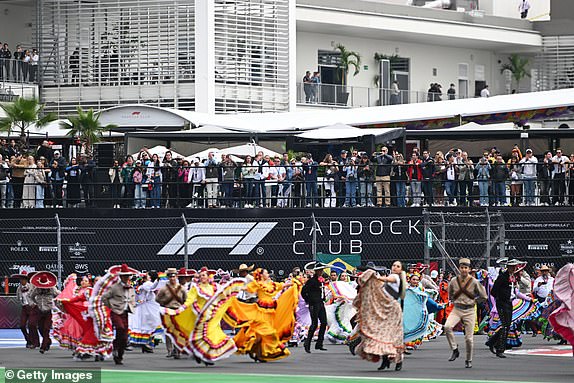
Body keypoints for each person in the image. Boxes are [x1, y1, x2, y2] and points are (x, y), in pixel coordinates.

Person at [354, 261, 406, 371]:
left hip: (393, 310)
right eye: (393, 265)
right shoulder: (388, 279)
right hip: (386, 308)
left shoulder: (395, 277)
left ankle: (398, 360)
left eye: (397, 266)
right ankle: (385, 360)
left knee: (393, 336)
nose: (395, 267)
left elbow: (388, 279)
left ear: (401, 269)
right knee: (382, 334)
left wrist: (377, 277)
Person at [444, 258, 487, 369]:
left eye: (466, 268)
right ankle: (454, 349)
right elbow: (450, 294)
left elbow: (484, 296)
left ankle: (468, 359)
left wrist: (474, 301)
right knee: (447, 327)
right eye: (462, 267)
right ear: (459, 268)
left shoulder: (474, 282)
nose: (463, 270)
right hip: (457, 309)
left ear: (469, 269)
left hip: (470, 310)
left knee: (469, 338)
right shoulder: (454, 281)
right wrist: (456, 300)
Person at [102, 263, 137, 365]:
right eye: (124, 276)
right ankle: (115, 346)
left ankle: (119, 355)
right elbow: (104, 298)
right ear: (121, 277)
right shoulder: (114, 287)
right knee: (120, 328)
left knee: (124, 337)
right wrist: (111, 306)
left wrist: (132, 306)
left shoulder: (131, 287)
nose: (126, 278)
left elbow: (132, 299)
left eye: (128, 276)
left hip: (125, 313)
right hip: (116, 312)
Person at [489, 259, 521, 358]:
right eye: (512, 266)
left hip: (509, 302)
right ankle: (500, 349)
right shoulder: (502, 276)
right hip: (502, 303)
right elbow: (493, 291)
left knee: (507, 325)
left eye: (515, 266)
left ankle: (492, 341)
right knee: (505, 326)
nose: (513, 268)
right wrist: (500, 298)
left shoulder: (513, 276)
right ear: (508, 267)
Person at [155, 268, 187, 358]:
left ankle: (177, 350)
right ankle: (169, 350)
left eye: (173, 276)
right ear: (168, 277)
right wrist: (165, 302)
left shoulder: (182, 288)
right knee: (168, 331)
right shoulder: (164, 289)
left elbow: (186, 300)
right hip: (167, 310)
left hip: (178, 310)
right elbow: (157, 299)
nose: (172, 278)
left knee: (177, 332)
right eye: (170, 276)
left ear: (176, 277)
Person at [29, 271, 61, 354]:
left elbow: (59, 295)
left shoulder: (52, 289)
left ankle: (43, 347)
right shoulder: (36, 289)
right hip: (39, 310)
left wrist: (56, 303)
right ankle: (48, 341)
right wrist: (35, 303)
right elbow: (31, 296)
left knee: (46, 329)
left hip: (48, 311)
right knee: (40, 328)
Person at [301, 262, 328, 353]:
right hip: (314, 304)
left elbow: (322, 290)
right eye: (319, 270)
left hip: (320, 303)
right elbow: (303, 292)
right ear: (316, 271)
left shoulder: (321, 280)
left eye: (322, 270)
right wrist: (309, 300)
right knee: (314, 324)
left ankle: (319, 344)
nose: (321, 272)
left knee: (324, 322)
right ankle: (307, 343)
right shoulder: (311, 281)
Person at [12, 270, 38, 349]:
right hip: (24, 308)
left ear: (26, 280)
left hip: (32, 307)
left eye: (23, 279)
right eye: (21, 279)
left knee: (31, 325)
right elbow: (17, 298)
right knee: (22, 325)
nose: (21, 280)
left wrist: (34, 304)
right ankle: (28, 340)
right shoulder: (18, 288)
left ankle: (35, 342)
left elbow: (35, 296)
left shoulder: (31, 287)